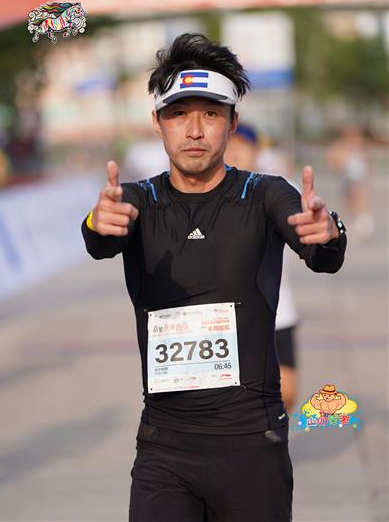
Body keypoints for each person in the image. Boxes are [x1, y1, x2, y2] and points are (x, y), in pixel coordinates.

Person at [81, 33, 347, 522]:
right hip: (164, 448)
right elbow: (100, 238)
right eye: (178, 113)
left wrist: (328, 234)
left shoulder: (265, 194)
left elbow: (322, 253)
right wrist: (98, 222)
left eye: (210, 113)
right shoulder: (137, 201)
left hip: (253, 446)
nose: (195, 130)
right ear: (157, 122)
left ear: (233, 123)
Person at [225, 125, 299, 412]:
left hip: (278, 308)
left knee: (287, 392)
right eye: (229, 144)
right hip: (226, 315)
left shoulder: (280, 190)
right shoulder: (210, 194)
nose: (234, 151)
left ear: (257, 150)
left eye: (241, 145)